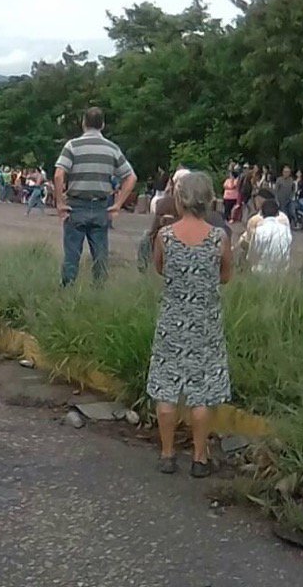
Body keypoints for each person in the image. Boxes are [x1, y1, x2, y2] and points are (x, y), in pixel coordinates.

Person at [147, 172, 233, 478]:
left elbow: (159, 268)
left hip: (172, 319)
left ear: (180, 200)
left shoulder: (165, 236)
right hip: (206, 322)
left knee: (167, 389)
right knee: (202, 391)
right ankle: (199, 458)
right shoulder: (218, 237)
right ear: (209, 200)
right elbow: (225, 276)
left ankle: (167, 454)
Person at [53, 107, 135, 286]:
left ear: (84, 123)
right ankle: (99, 292)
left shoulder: (73, 146)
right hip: (100, 206)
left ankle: (68, 290)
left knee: (72, 255)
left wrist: (60, 202)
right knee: (100, 256)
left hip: (76, 206)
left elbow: (59, 175)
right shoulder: (112, 148)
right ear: (102, 125)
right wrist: (118, 203)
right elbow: (131, 177)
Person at [246, 199, 292, 273]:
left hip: (261, 272)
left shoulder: (259, 231)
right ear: (277, 214)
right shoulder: (285, 230)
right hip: (282, 271)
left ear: (261, 214)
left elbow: (251, 256)